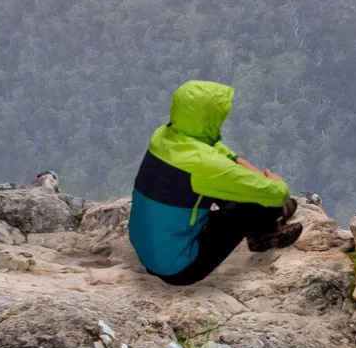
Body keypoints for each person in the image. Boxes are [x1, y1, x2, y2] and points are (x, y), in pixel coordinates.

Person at [129, 80, 303, 285]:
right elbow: (277, 191)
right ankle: (263, 229)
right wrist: (273, 184)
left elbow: (215, 150)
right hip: (180, 268)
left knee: (232, 185)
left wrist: (242, 163)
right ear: (207, 117)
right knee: (257, 199)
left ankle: (265, 227)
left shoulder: (162, 136)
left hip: (151, 254)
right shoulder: (203, 164)